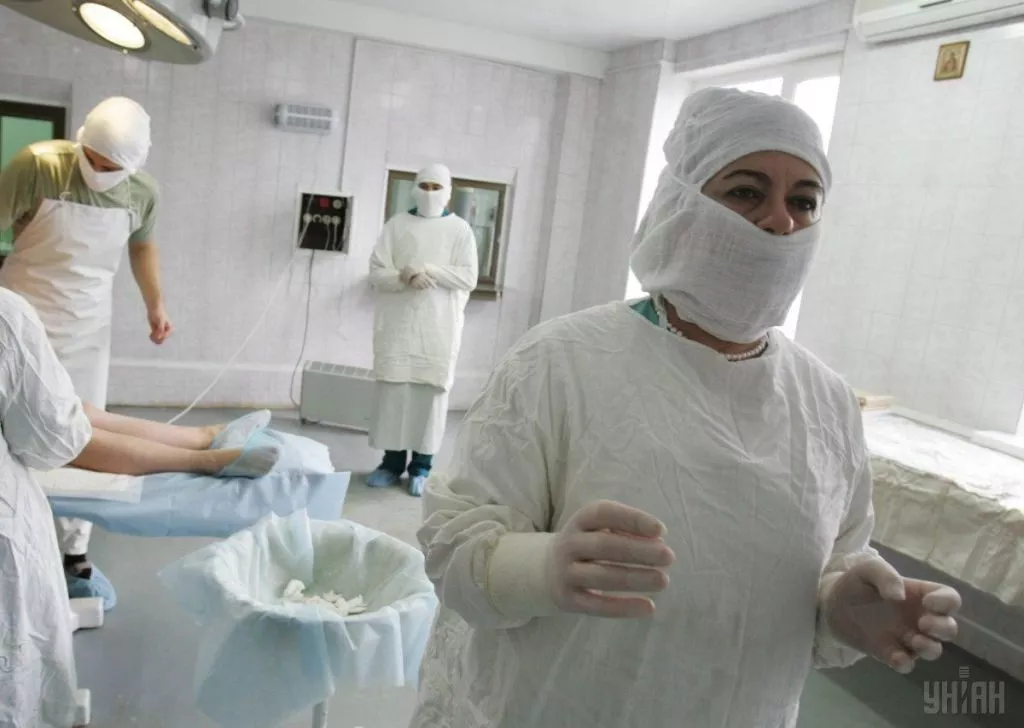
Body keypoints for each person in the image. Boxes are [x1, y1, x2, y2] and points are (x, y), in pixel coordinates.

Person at [409, 89, 962, 727]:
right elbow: (455, 548)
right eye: (746, 191)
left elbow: (834, 557)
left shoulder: (826, 404)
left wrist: (841, 605)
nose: (779, 221)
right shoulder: (561, 363)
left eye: (803, 201)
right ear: (682, 203)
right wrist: (539, 568)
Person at [0, 96, 171, 604]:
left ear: (133, 165)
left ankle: (74, 552)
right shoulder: (38, 165)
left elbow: (143, 246)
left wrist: (155, 304)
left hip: (88, 326)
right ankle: (13, 531)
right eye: (92, 159)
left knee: (80, 434)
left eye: (111, 167)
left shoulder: (143, 193)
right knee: (14, 432)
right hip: (22, 315)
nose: (98, 172)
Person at [366, 163, 478, 497]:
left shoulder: (460, 230)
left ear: (448, 192)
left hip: (437, 330)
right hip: (398, 328)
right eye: (425, 186)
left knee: (428, 398)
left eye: (436, 187)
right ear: (415, 188)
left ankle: (421, 467)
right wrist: (404, 276)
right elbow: (376, 272)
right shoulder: (397, 225)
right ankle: (391, 464)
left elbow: (468, 277)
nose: (430, 193)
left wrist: (428, 269)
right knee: (394, 395)